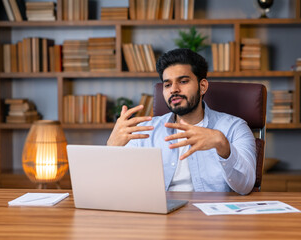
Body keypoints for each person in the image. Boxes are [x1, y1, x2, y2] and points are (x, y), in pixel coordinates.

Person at [107, 48, 256, 195]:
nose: (174, 89)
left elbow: (246, 186)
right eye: (167, 84)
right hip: (159, 213)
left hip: (212, 215)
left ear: (202, 86)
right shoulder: (144, 130)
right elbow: (114, 186)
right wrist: (111, 148)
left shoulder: (234, 128)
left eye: (183, 81)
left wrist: (223, 145)